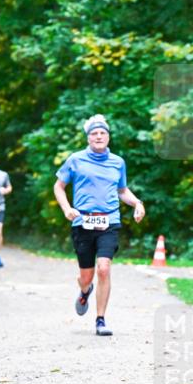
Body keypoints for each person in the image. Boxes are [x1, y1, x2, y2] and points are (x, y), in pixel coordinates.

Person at [54, 114, 145, 336]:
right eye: (94, 133)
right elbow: (58, 186)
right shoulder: (75, 160)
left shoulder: (117, 162)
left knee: (104, 269)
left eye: (102, 133)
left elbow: (122, 190)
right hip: (82, 222)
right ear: (88, 138)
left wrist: (137, 203)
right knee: (86, 277)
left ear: (108, 137)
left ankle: (100, 320)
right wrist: (67, 209)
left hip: (109, 222)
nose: (98, 136)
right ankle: (85, 291)